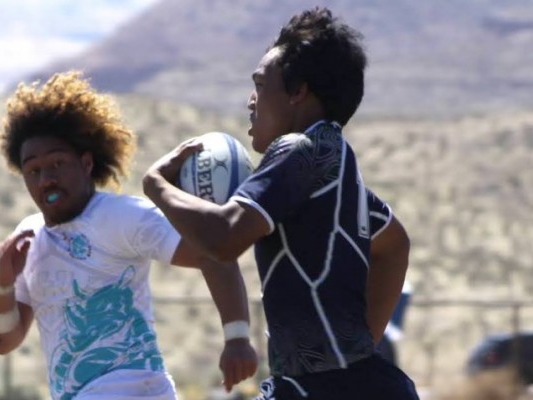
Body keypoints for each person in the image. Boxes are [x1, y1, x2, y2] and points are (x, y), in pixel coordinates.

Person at [142, 7, 419, 400]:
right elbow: (395, 245)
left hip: (324, 389)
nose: (250, 101)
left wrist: (155, 185)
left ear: (297, 92)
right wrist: (359, 348)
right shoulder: (335, 165)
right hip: (358, 384)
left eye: (259, 84)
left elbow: (223, 238)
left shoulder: (298, 150)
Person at [0, 71, 257, 400]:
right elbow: (2, 341)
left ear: (85, 163)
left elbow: (215, 252)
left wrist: (237, 336)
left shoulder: (120, 216)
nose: (45, 180)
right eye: (34, 171)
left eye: (56, 164)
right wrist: (2, 284)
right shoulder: (28, 238)